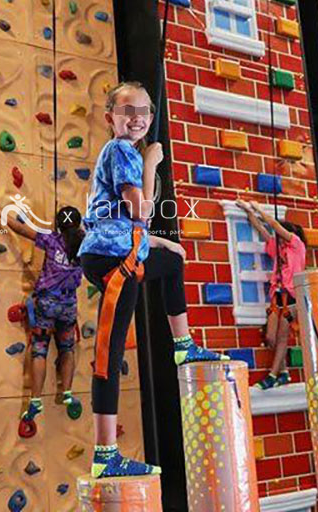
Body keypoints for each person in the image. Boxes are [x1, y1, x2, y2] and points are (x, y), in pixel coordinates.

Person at [79, 81, 229, 479]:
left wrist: (162, 243)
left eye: (144, 110)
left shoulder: (117, 153)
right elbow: (141, 212)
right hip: (116, 260)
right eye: (127, 110)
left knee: (173, 263)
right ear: (110, 117)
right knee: (108, 356)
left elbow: (126, 220)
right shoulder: (123, 151)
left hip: (119, 250)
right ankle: (105, 453)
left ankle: (184, 346)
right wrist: (152, 164)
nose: (137, 117)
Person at [4, 206, 85, 424]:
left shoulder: (52, 240)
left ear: (59, 224)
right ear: (78, 224)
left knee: (39, 349)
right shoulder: (86, 245)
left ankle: (36, 399)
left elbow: (22, 229)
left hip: (47, 303)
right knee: (67, 348)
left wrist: (0, 214)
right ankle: (67, 392)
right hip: (68, 304)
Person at [236, 199, 307, 390]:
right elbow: (262, 229)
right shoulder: (279, 249)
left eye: (282, 235)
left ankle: (272, 376)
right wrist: (249, 210)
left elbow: (273, 226)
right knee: (270, 337)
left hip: (292, 297)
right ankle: (283, 373)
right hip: (277, 296)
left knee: (283, 336)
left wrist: (260, 208)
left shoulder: (296, 245)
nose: (279, 238)